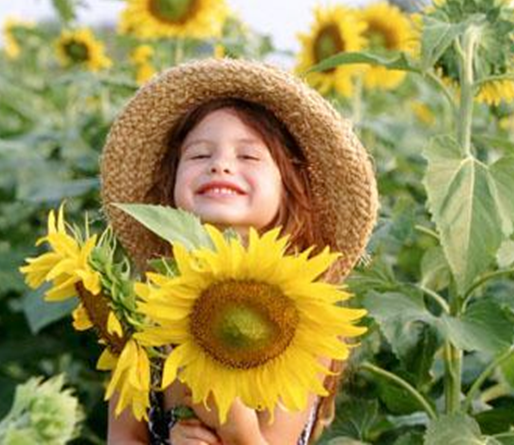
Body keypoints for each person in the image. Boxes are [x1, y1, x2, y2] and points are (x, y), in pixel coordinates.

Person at [100, 59, 378, 444]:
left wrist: (235, 425)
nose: (220, 166)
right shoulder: (146, 309)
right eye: (199, 155)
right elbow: (122, 436)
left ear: (290, 186)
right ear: (172, 182)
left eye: (247, 156)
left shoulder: (304, 312)